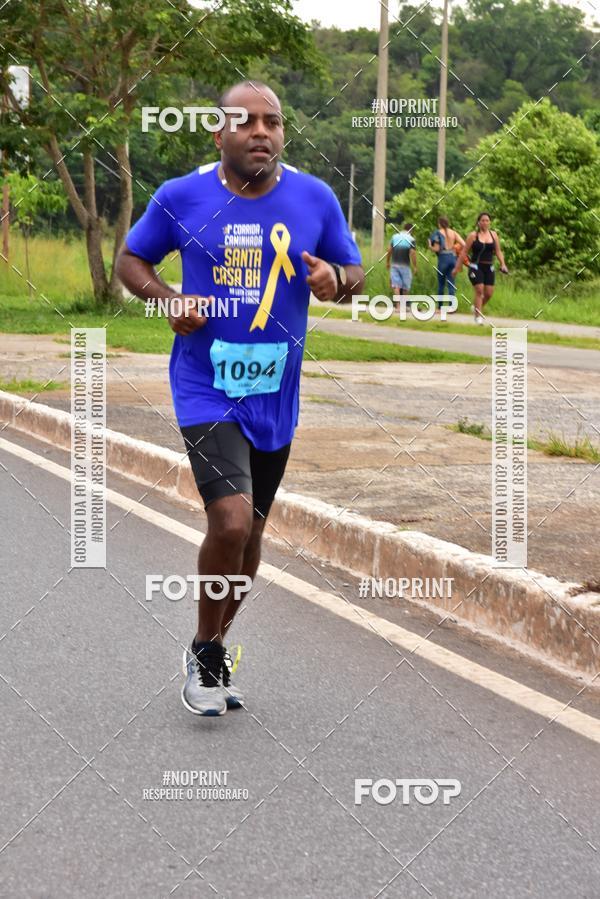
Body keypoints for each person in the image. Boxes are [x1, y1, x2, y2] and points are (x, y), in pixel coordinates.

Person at [116, 81, 364, 716]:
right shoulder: (181, 195)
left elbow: (354, 274)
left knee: (251, 534)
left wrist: (334, 279)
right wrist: (168, 300)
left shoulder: (315, 198)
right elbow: (131, 260)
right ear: (218, 133)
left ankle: (216, 646)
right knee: (228, 520)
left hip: (276, 393)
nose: (261, 131)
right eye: (245, 121)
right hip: (205, 385)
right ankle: (204, 653)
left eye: (272, 121)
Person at [453, 212, 508, 324]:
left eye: (487, 220)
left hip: (489, 267)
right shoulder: (473, 236)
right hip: (475, 267)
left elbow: (498, 251)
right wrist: (457, 268)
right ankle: (478, 317)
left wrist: (503, 264)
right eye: (483, 220)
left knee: (489, 293)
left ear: (490, 222)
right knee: (479, 290)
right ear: (478, 222)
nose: (485, 222)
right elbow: (464, 252)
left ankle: (476, 307)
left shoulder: (494, 235)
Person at [428, 216, 464, 310]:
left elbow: (436, 249)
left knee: (441, 284)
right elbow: (464, 244)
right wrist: (455, 248)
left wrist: (430, 246)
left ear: (439, 223)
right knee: (451, 283)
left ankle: (440, 307)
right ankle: (452, 306)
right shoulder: (453, 233)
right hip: (452, 257)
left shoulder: (437, 233)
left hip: (443, 258)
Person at [387, 223, 417, 302]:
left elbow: (389, 250)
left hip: (394, 265)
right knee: (405, 287)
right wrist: (415, 266)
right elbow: (413, 253)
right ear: (411, 230)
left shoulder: (394, 237)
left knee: (396, 286)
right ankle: (403, 305)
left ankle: (398, 305)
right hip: (405, 266)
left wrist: (387, 262)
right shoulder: (411, 239)